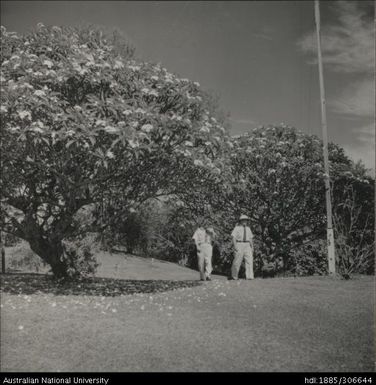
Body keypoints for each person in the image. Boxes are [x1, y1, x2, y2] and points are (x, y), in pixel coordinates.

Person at [230, 214, 254, 280]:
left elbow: (251, 238)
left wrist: (252, 247)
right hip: (239, 244)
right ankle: (234, 276)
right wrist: (235, 246)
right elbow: (233, 237)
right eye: (243, 220)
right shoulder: (237, 228)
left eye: (246, 220)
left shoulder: (248, 229)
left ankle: (249, 276)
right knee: (237, 260)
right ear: (240, 221)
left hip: (247, 244)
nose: (244, 221)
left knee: (249, 260)